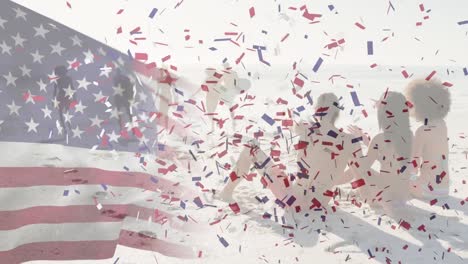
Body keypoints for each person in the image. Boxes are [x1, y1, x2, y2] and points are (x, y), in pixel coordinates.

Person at [217, 93, 364, 212]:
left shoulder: (307, 129)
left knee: (250, 148)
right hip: (321, 202)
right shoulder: (351, 141)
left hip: (294, 201)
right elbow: (357, 173)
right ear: (336, 112)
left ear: (317, 109)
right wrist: (331, 180)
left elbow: (295, 125)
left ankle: (226, 192)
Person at [347, 91, 413, 216]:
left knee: (353, 159)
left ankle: (331, 183)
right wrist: (367, 142)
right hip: (402, 198)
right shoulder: (409, 136)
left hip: (380, 198)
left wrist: (356, 147)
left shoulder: (379, 139)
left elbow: (362, 168)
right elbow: (390, 158)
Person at [404, 79, 451, 198]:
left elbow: (414, 164)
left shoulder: (422, 131)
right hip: (445, 188)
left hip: (427, 190)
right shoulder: (442, 125)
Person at [53, 65, 74, 135]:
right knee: (65, 112)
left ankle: (65, 127)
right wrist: (73, 96)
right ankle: (68, 126)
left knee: (61, 113)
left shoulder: (58, 80)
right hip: (66, 97)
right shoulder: (68, 79)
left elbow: (55, 91)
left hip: (61, 97)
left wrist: (54, 99)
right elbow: (72, 88)